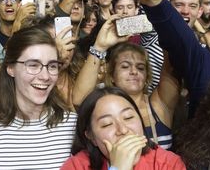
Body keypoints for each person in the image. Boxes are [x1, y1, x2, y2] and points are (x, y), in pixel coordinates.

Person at [73, 15, 180, 150]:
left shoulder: (159, 105)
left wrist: (160, 19)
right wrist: (100, 46)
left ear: (147, 76)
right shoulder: (101, 104)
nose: (134, 71)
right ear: (111, 75)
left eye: (140, 67)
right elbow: (79, 100)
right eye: (125, 66)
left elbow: (172, 59)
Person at [0, 26, 77, 169]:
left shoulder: (73, 126)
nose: (45, 76)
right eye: (33, 65)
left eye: (52, 66)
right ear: (11, 68)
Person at [61, 87, 186, 170]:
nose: (123, 130)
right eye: (107, 124)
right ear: (91, 136)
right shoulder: (76, 166)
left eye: (128, 117)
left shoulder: (168, 164)